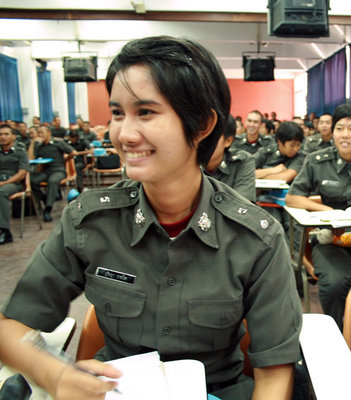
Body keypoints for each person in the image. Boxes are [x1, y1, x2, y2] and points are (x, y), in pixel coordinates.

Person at [0, 36, 302, 400]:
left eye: (145, 112)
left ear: (203, 124)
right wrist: (55, 375)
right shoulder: (89, 220)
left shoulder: (257, 238)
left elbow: (274, 374)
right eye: (116, 113)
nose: (124, 134)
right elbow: (11, 328)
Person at [286, 103, 351, 330]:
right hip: (330, 238)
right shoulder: (317, 160)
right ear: (332, 132)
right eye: (339, 128)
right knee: (334, 283)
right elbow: (293, 198)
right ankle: (336, 333)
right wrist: (330, 212)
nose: (344, 135)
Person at [29, 125, 76, 222]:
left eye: (42, 132)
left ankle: (48, 209)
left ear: (49, 133)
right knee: (31, 180)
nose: (40, 135)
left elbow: (73, 152)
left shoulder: (57, 143)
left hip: (58, 170)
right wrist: (33, 142)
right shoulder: (39, 146)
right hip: (45, 171)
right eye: (38, 133)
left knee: (53, 180)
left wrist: (65, 160)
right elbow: (30, 158)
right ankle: (45, 199)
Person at [205, 115, 256, 202]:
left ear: (228, 141)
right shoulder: (188, 161)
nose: (204, 141)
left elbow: (242, 204)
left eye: (212, 137)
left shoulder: (242, 161)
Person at [0, 124, 28, 244]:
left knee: (1, 193)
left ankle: (5, 232)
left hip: (14, 183)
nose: (3, 137)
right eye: (0, 134)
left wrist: (4, 183)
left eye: (6, 134)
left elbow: (22, 173)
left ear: (13, 136)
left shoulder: (20, 151)